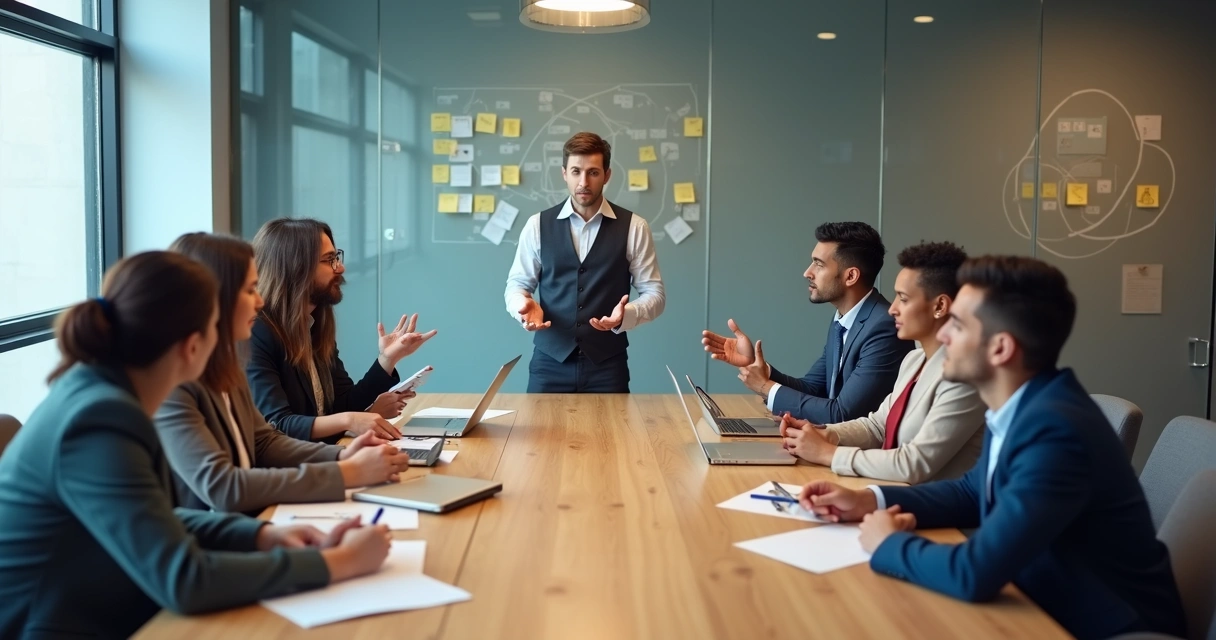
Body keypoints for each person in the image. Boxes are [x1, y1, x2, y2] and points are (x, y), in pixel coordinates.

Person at [0, 252, 391, 638]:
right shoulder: (100, 418)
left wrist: (260, 536)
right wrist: (339, 563)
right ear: (192, 347)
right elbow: (185, 581)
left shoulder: (101, 392)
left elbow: (154, 516)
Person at [798, 256, 1186, 640]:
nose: (944, 335)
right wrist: (870, 500)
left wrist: (889, 542)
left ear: (1000, 349)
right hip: (1037, 598)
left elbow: (975, 573)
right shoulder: (1028, 404)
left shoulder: (1057, 432)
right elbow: (972, 491)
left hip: (1098, 625)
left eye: (959, 325)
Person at [155, 233, 411, 514]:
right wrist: (346, 472)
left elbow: (264, 441)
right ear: (214, 297)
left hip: (249, 523)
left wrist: (343, 455)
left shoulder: (225, 365)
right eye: (250, 290)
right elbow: (224, 488)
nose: (260, 301)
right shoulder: (173, 385)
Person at [779, 241, 985, 483]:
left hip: (937, 514)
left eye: (904, 299)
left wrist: (830, 454)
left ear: (939, 306)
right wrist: (823, 433)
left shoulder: (966, 377)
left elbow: (914, 464)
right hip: (891, 496)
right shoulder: (914, 360)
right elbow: (877, 426)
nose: (892, 309)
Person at [247, 217, 436, 443]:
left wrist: (388, 359)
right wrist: (352, 420)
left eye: (337, 257)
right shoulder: (257, 333)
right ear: (295, 268)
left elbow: (343, 403)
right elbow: (278, 424)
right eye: (329, 260)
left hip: (322, 457)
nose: (341, 267)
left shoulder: (314, 325)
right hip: (289, 470)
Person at [702, 221, 912, 423]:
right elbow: (812, 388)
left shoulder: (884, 327)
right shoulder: (844, 319)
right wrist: (757, 367)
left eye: (819, 264)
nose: (807, 272)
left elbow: (842, 414)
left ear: (851, 276)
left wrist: (765, 387)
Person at [504, 131, 666, 393]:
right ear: (564, 173)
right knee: (539, 435)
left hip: (608, 365)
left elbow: (655, 294)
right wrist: (522, 305)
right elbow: (517, 283)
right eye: (576, 171)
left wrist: (627, 316)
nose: (583, 182)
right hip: (549, 364)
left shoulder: (635, 227)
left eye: (593, 172)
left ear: (607, 175)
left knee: (611, 435)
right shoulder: (537, 225)